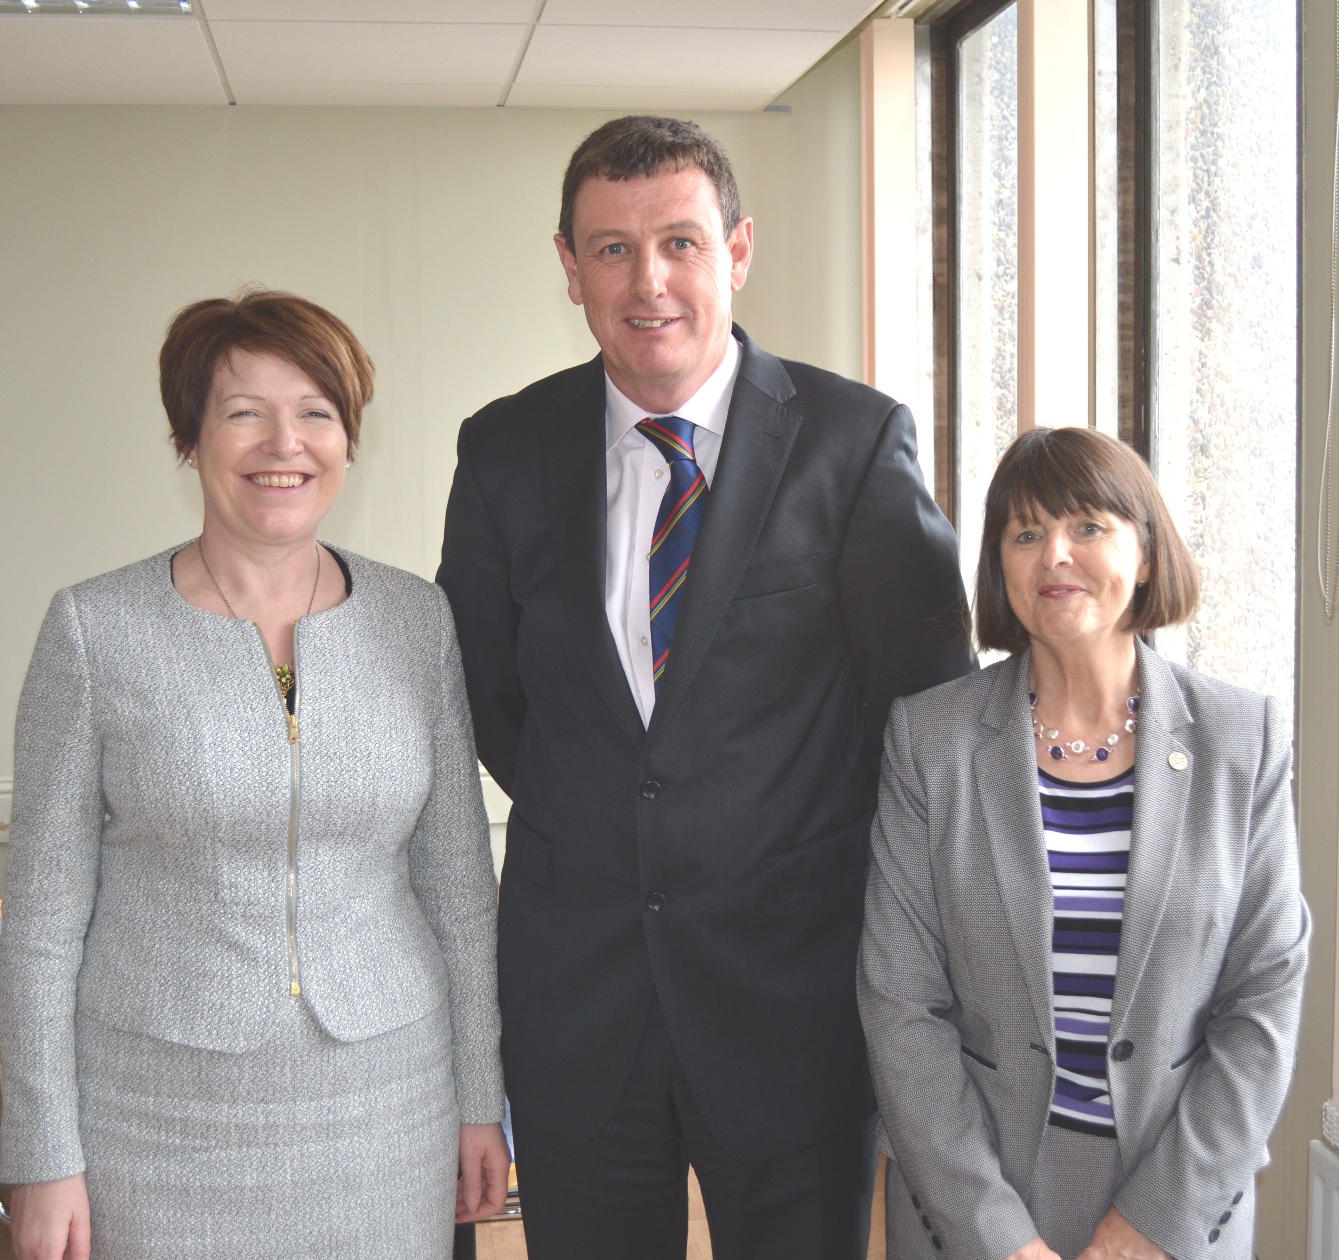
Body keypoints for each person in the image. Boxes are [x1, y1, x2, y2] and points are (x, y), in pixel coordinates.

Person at [436, 114, 974, 1260]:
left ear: (735, 251)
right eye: (613, 249)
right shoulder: (503, 450)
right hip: (579, 1004)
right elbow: (482, 693)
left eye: (678, 242)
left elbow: (926, 718)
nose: (650, 282)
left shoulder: (852, 440)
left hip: (794, 998)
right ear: (569, 267)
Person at [0, 290, 509, 1260]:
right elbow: (39, 927)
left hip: (386, 1111)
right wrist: (39, 1155)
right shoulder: (93, 630)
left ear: (349, 439)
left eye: (316, 410)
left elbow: (456, 888)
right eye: (244, 412)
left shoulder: (415, 622)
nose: (285, 442)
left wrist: (480, 1100)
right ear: (188, 437)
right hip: (153, 1124)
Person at [858, 426, 1310, 1260]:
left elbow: (1264, 1001)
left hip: (1175, 1206)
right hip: (970, 1205)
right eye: (1024, 533)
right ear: (1000, 565)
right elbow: (900, 1003)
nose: (1053, 554)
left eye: (1087, 526)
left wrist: (1148, 1228)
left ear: (1144, 553)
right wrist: (997, 1237)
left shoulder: (1241, 739)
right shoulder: (930, 741)